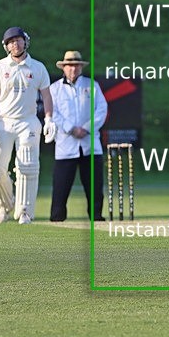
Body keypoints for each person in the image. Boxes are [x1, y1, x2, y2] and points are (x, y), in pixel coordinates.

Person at [0, 27, 55, 225]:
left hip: (27, 121)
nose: (16, 44)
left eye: (18, 40)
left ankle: (25, 212)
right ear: (6, 46)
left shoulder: (37, 67)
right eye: (11, 42)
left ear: (25, 41)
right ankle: (5, 204)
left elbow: (46, 95)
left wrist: (48, 119)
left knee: (28, 167)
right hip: (2, 121)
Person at [49, 50, 108, 222]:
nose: (73, 69)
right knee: (60, 186)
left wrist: (86, 128)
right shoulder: (55, 89)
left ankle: (96, 217)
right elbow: (52, 113)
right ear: (63, 68)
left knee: (94, 186)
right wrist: (71, 129)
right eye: (69, 66)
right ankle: (57, 218)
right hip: (65, 145)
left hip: (90, 144)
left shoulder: (92, 86)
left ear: (81, 67)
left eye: (76, 66)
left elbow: (102, 110)